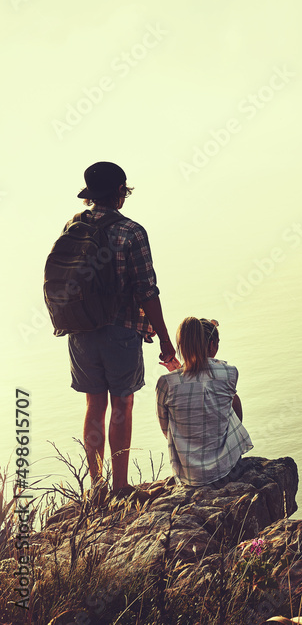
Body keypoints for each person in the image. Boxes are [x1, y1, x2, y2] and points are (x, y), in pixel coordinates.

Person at [61, 161, 176, 493]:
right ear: (119, 193)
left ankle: (97, 486)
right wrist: (165, 340)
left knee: (94, 404)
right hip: (121, 331)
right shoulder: (131, 231)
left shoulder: (72, 226)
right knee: (122, 403)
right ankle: (121, 486)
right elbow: (146, 291)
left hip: (81, 331)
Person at [156, 318, 253, 486]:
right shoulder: (229, 373)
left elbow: (166, 430)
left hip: (189, 475)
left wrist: (179, 373)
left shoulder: (166, 383)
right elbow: (206, 385)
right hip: (226, 468)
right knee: (230, 398)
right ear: (211, 345)